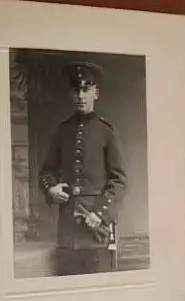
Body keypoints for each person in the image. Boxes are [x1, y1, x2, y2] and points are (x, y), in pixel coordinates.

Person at [39, 61, 128, 276]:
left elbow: (119, 181)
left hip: (95, 229)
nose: (80, 95)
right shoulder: (63, 130)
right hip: (68, 231)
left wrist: (100, 214)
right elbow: (46, 172)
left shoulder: (107, 131)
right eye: (76, 90)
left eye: (86, 89)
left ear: (95, 93)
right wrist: (51, 189)